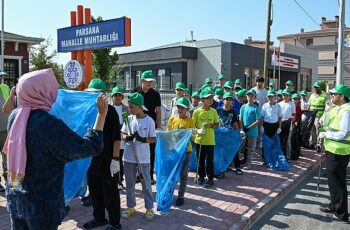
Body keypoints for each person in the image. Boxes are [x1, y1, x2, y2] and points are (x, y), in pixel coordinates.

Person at [4, 69, 106, 229]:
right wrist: (101, 115)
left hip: (15, 196)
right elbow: (89, 147)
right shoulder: (48, 124)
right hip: (41, 204)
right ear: (43, 91)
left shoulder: (15, 117)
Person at [83, 79, 122, 230]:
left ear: (103, 95)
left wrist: (116, 159)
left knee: (110, 193)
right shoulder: (88, 109)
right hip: (92, 160)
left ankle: (114, 223)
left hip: (107, 160)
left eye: (96, 94)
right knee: (95, 192)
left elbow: (117, 139)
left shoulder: (110, 112)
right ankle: (99, 218)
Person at [121, 92, 156, 221]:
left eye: (132, 107)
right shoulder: (129, 119)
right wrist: (127, 137)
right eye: (129, 106)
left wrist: (142, 139)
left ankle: (149, 208)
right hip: (129, 156)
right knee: (129, 182)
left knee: (146, 183)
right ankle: (131, 207)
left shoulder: (149, 121)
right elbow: (123, 134)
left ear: (140, 107)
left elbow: (153, 139)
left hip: (143, 157)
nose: (129, 109)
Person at [318, 84, 350, 222]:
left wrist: (326, 134)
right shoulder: (337, 108)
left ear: (342, 97)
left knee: (338, 183)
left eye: (334, 94)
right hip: (332, 149)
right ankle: (334, 205)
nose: (331, 96)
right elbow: (324, 122)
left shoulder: (347, 110)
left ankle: (342, 213)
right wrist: (327, 110)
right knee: (332, 182)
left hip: (339, 151)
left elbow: (343, 133)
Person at [133, 70, 161, 184]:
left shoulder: (155, 94)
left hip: (150, 125)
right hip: (137, 123)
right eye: (148, 81)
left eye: (151, 81)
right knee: (137, 148)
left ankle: (149, 175)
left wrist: (158, 126)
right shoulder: (136, 91)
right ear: (142, 81)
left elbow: (158, 111)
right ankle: (138, 175)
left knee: (150, 151)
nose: (150, 83)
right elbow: (132, 107)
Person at [166, 97, 195, 206]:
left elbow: (192, 136)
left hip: (186, 152)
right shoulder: (172, 119)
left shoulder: (190, 121)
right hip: (174, 152)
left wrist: (195, 132)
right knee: (172, 174)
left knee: (183, 175)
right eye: (178, 107)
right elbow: (168, 134)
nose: (180, 109)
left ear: (187, 109)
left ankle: (180, 196)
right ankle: (169, 194)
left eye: (183, 108)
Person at [192, 87, 219, 188]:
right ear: (202, 100)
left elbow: (217, 124)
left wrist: (211, 126)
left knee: (209, 161)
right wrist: (198, 130)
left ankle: (210, 179)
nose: (210, 100)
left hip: (210, 140)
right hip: (199, 140)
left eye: (211, 98)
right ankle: (201, 177)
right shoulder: (197, 112)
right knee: (200, 160)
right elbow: (193, 125)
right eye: (208, 98)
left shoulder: (214, 111)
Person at [216, 92, 241, 176]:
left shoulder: (233, 112)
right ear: (223, 100)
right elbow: (215, 122)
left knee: (233, 150)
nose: (228, 101)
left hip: (228, 136)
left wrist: (238, 133)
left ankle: (238, 167)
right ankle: (222, 169)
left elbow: (235, 124)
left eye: (230, 100)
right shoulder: (218, 110)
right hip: (219, 136)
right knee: (220, 152)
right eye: (227, 99)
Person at [111, 86, 130, 188]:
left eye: (119, 95)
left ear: (122, 97)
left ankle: (120, 180)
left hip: (122, 136)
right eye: (115, 95)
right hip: (112, 137)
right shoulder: (109, 108)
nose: (117, 97)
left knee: (121, 159)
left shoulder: (126, 109)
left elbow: (128, 122)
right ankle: (114, 179)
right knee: (114, 159)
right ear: (112, 97)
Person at [239, 89, 261, 170]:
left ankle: (248, 163)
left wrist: (249, 127)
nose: (250, 97)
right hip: (244, 131)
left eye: (252, 96)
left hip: (253, 132)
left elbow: (258, 120)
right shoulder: (243, 107)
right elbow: (240, 118)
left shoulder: (256, 108)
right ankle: (243, 161)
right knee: (242, 148)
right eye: (248, 95)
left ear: (254, 97)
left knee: (250, 149)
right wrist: (242, 128)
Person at [260, 90, 282, 161]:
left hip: (275, 126)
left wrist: (279, 127)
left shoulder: (278, 106)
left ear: (274, 97)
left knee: (274, 142)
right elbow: (262, 117)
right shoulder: (264, 106)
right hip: (266, 125)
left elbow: (280, 117)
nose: (270, 97)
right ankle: (265, 158)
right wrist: (262, 126)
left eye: (271, 96)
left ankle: (273, 157)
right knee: (265, 142)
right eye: (269, 96)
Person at [308, 81, 329, 149]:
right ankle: (314, 144)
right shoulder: (312, 95)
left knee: (318, 131)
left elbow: (327, 108)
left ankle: (319, 145)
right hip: (311, 116)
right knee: (312, 131)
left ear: (320, 88)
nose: (316, 88)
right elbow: (309, 105)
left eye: (317, 87)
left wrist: (323, 117)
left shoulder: (325, 95)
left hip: (319, 116)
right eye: (315, 87)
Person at [278, 89, 296, 157]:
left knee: (288, 141)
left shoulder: (292, 104)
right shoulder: (279, 104)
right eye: (284, 95)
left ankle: (288, 155)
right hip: (280, 124)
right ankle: (280, 155)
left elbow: (294, 115)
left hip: (288, 125)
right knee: (280, 140)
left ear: (290, 96)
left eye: (287, 95)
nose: (285, 96)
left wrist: (292, 118)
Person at [0, 73, 10, 192]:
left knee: (7, 156)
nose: (1, 78)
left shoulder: (5, 87)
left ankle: (8, 181)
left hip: (5, 129)